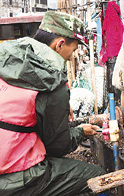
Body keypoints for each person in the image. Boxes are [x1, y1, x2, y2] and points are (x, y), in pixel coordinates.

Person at [0, 11, 105, 196]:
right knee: (97, 179)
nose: (70, 57)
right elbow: (57, 146)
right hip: (12, 177)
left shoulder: (7, 54)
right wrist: (80, 132)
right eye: (72, 52)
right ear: (60, 44)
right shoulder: (51, 81)